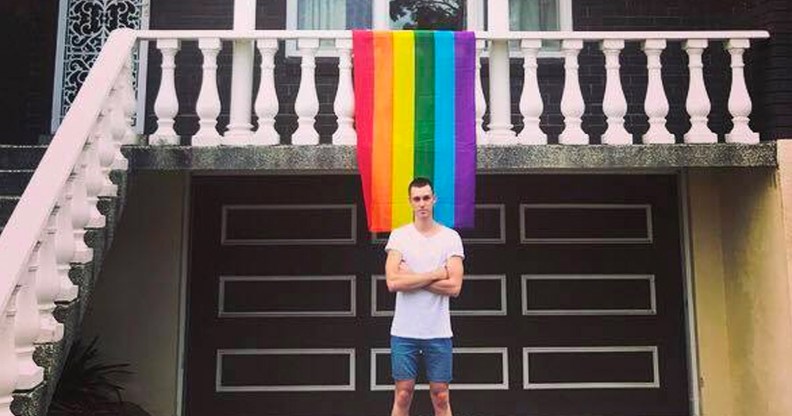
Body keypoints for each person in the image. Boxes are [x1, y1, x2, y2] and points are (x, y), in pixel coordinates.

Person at [384, 177, 465, 416]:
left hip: (438, 331)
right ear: (410, 202)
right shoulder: (399, 237)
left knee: (441, 395)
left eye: (426, 198)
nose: (422, 204)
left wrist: (413, 278)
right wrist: (435, 274)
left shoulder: (450, 238)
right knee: (403, 393)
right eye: (417, 199)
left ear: (434, 199)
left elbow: (454, 287)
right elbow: (392, 281)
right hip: (404, 331)